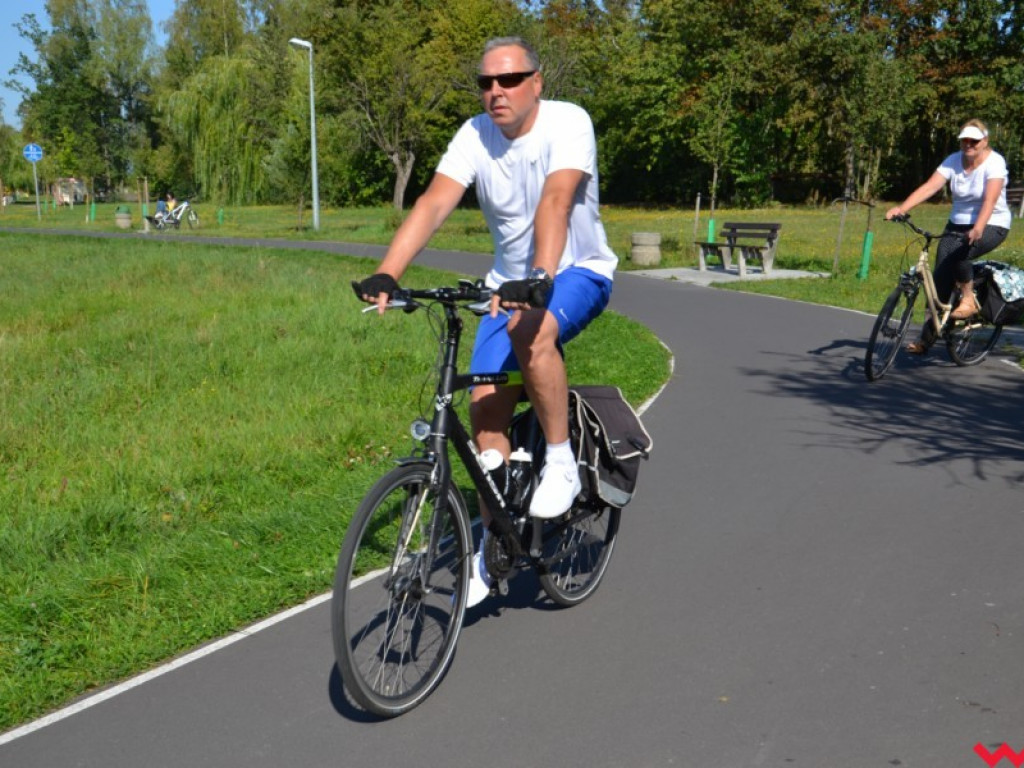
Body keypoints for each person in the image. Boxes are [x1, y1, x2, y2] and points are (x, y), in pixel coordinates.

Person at [353, 36, 617, 605]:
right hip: (507, 286)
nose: (496, 92)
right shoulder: (475, 134)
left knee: (531, 330)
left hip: (575, 271)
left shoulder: (569, 123)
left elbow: (556, 200)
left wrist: (541, 277)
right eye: (486, 83)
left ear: (536, 82)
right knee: (482, 410)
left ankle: (561, 462)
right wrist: (387, 273)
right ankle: (495, 540)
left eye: (510, 80)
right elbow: (433, 202)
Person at [885, 119, 1012, 353]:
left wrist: (978, 228)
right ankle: (928, 338)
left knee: (962, 254)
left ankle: (968, 300)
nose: (969, 144)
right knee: (941, 277)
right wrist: (901, 209)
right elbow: (929, 187)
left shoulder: (995, 163)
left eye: (974, 140)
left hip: (992, 223)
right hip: (957, 224)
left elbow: (990, 200)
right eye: (965, 140)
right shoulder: (953, 160)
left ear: (985, 141)